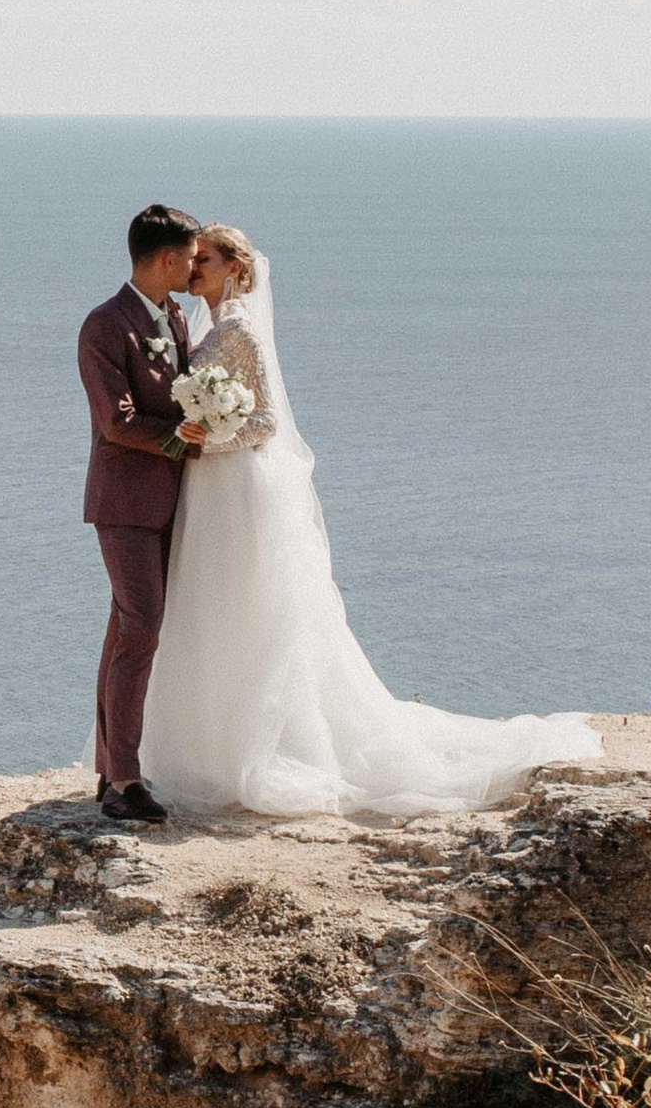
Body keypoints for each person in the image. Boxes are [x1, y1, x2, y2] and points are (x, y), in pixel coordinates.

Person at [122, 221, 603, 820]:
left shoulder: (240, 328)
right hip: (209, 485)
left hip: (236, 483)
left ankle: (260, 747)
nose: (195, 269)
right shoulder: (203, 325)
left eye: (207, 261)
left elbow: (265, 422)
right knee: (210, 608)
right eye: (193, 260)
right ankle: (207, 747)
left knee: (248, 610)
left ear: (236, 270)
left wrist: (207, 439)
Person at [76, 202, 202, 826]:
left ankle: (111, 769)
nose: (195, 268)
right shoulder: (105, 325)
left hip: (170, 501)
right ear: (167, 259)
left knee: (126, 629)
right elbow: (116, 422)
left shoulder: (174, 316)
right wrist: (184, 438)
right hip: (124, 503)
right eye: (191, 258)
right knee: (143, 627)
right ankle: (124, 781)